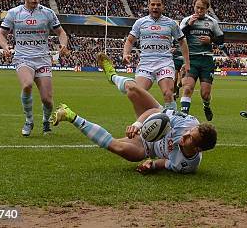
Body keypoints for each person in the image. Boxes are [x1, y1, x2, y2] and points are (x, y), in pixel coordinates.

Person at [54, 52, 217, 174]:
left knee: (115, 146)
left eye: (190, 138)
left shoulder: (187, 165)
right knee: (132, 90)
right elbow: (154, 111)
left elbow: (165, 163)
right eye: (189, 133)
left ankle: (69, 115)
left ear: (198, 149)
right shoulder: (186, 123)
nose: (185, 135)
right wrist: (137, 125)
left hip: (146, 147)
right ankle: (112, 76)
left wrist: (150, 165)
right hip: (156, 116)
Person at [0, 0, 69, 137]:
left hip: (42, 58)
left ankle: (45, 121)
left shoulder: (48, 13)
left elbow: (61, 33)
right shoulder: (14, 13)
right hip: (23, 57)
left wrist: (63, 45)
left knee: (47, 100)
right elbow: (1, 35)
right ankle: (29, 120)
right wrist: (5, 47)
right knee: (27, 85)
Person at [122, 0, 189, 110]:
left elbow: (182, 42)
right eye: (152, 4)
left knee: (168, 92)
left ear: (163, 7)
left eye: (158, 5)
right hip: (146, 63)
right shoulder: (140, 23)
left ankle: (172, 122)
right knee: (138, 94)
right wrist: (125, 54)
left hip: (165, 62)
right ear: (148, 6)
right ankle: (144, 122)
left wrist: (187, 62)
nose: (155, 7)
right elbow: (129, 40)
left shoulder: (171, 23)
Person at [179, 0, 224, 120]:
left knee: (205, 94)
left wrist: (210, 40)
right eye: (197, 7)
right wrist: (189, 25)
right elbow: (178, 37)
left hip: (206, 60)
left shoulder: (212, 22)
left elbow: (221, 39)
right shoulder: (186, 20)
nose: (199, 10)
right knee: (187, 88)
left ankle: (206, 105)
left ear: (207, 9)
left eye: (202, 8)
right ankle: (183, 118)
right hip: (191, 59)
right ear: (193, 6)